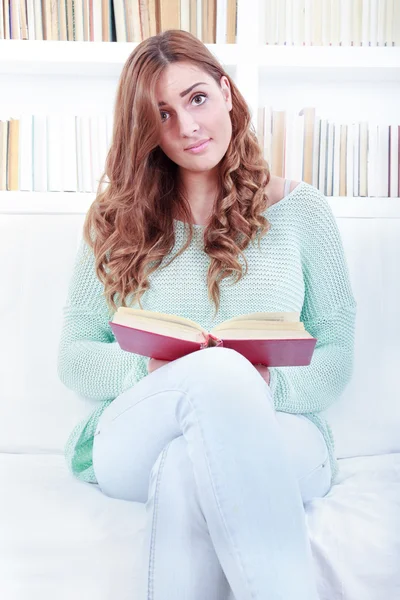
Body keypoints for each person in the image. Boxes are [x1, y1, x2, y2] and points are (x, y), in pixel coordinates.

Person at [57, 29, 357, 600]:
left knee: (184, 469)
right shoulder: (114, 220)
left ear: (225, 90)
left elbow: (337, 352)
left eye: (196, 99)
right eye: (162, 115)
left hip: (282, 428)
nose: (188, 128)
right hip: (135, 432)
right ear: (144, 131)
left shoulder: (302, 212)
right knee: (215, 374)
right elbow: (73, 356)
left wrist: (263, 385)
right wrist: (151, 374)